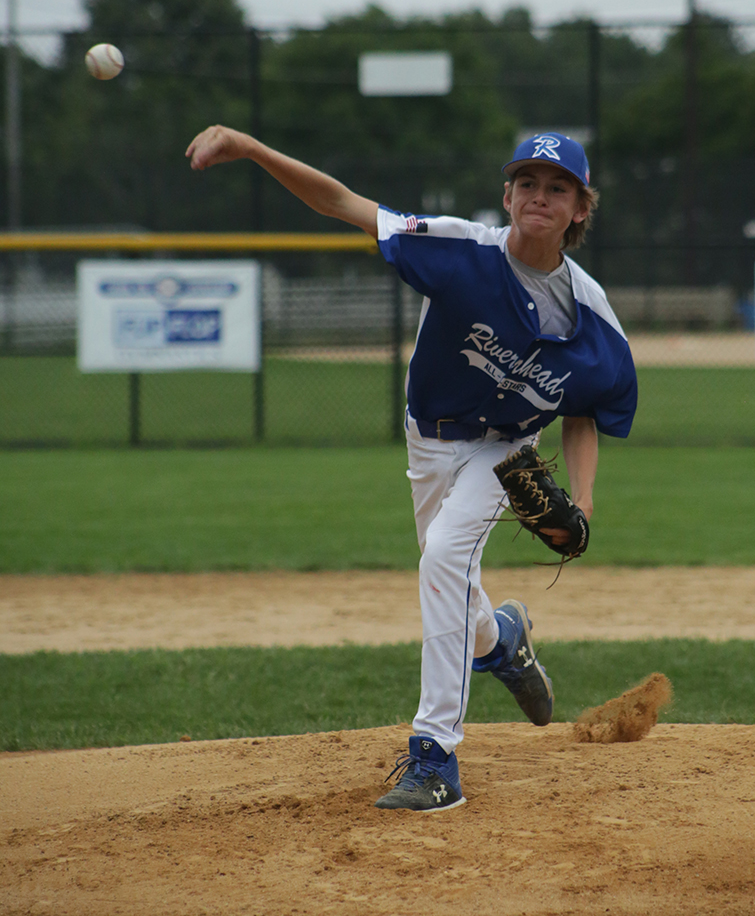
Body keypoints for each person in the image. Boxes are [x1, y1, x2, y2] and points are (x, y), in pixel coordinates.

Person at [186, 127, 637, 813]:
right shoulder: (459, 248)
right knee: (448, 570)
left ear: (580, 209)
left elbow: (587, 407)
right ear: (507, 196)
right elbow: (340, 201)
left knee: (444, 560)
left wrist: (584, 496)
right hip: (426, 440)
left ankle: (436, 757)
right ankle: (502, 640)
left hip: (508, 451)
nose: (539, 196)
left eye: (557, 187)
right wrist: (250, 148)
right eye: (527, 183)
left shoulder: (595, 321)